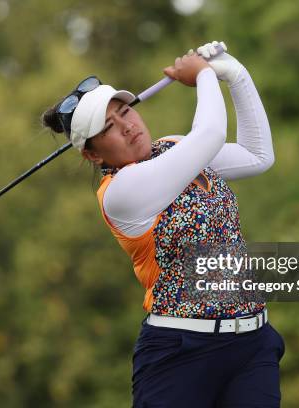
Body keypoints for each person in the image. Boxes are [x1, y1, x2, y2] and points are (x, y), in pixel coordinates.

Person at [42, 41, 285, 407]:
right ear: (92, 153)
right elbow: (210, 134)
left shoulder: (173, 146)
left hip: (252, 345)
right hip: (181, 354)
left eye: (125, 111)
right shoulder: (120, 192)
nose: (127, 126)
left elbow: (258, 155)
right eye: (109, 126)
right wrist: (203, 75)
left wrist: (234, 74)